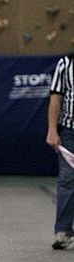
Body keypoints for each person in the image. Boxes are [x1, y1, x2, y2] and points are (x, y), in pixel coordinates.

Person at [46, 53, 74, 250]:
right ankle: (63, 231)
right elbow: (56, 98)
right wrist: (52, 129)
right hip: (69, 130)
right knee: (67, 179)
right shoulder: (65, 64)